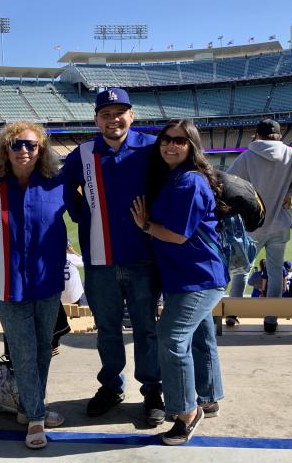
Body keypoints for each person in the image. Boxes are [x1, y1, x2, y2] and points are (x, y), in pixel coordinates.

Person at [62, 87, 164, 425]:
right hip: (99, 257)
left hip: (143, 257)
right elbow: (65, 191)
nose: (113, 119)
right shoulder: (83, 153)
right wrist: (83, 216)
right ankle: (111, 385)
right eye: (105, 114)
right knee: (106, 328)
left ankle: (152, 389)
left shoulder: (152, 148)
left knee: (146, 328)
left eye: (119, 112)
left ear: (131, 115)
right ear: (96, 119)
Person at [130, 119, 227, 446]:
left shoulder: (188, 182)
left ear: (191, 146)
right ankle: (209, 397)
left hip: (197, 277)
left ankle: (187, 412)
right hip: (188, 275)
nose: (171, 145)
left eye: (180, 141)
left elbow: (177, 234)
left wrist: (145, 226)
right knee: (201, 334)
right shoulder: (177, 178)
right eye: (166, 140)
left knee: (170, 338)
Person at [0, 122, 67, 449]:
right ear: (5, 149)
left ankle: (30, 407)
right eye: (16, 145)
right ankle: (35, 417)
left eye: (31, 145)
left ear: (41, 149)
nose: (24, 151)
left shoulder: (57, 183)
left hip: (46, 281)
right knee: (24, 352)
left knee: (44, 348)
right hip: (6, 281)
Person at [227, 119, 292, 333]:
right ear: (279, 136)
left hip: (252, 223)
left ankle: (232, 312)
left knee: (242, 269)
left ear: (257, 135)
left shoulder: (246, 156)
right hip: (280, 223)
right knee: (274, 272)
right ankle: (271, 319)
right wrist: (291, 191)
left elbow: (228, 183)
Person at [62, 241, 85, 305]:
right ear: (69, 247)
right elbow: (84, 261)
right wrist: (73, 252)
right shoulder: (72, 258)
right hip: (75, 299)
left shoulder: (54, 261)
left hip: (61, 300)